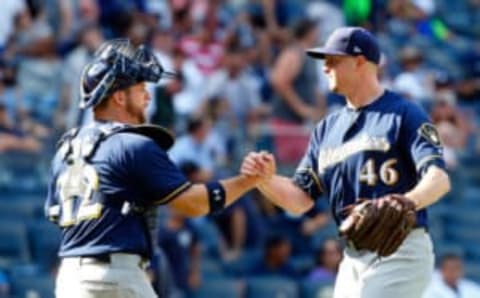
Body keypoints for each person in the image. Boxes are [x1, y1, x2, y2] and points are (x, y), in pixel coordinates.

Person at [44, 39, 266, 298]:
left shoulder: (65, 149)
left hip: (71, 278)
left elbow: (56, 214)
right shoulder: (133, 144)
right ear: (119, 96)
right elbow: (192, 204)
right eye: (141, 89)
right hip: (115, 277)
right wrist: (247, 181)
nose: (148, 96)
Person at [241, 27, 451, 298]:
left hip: (399, 248)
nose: (325, 68)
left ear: (360, 61)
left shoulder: (403, 113)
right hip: (352, 257)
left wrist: (407, 201)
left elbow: (438, 178)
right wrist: (265, 179)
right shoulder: (326, 129)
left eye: (333, 60)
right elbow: (299, 199)